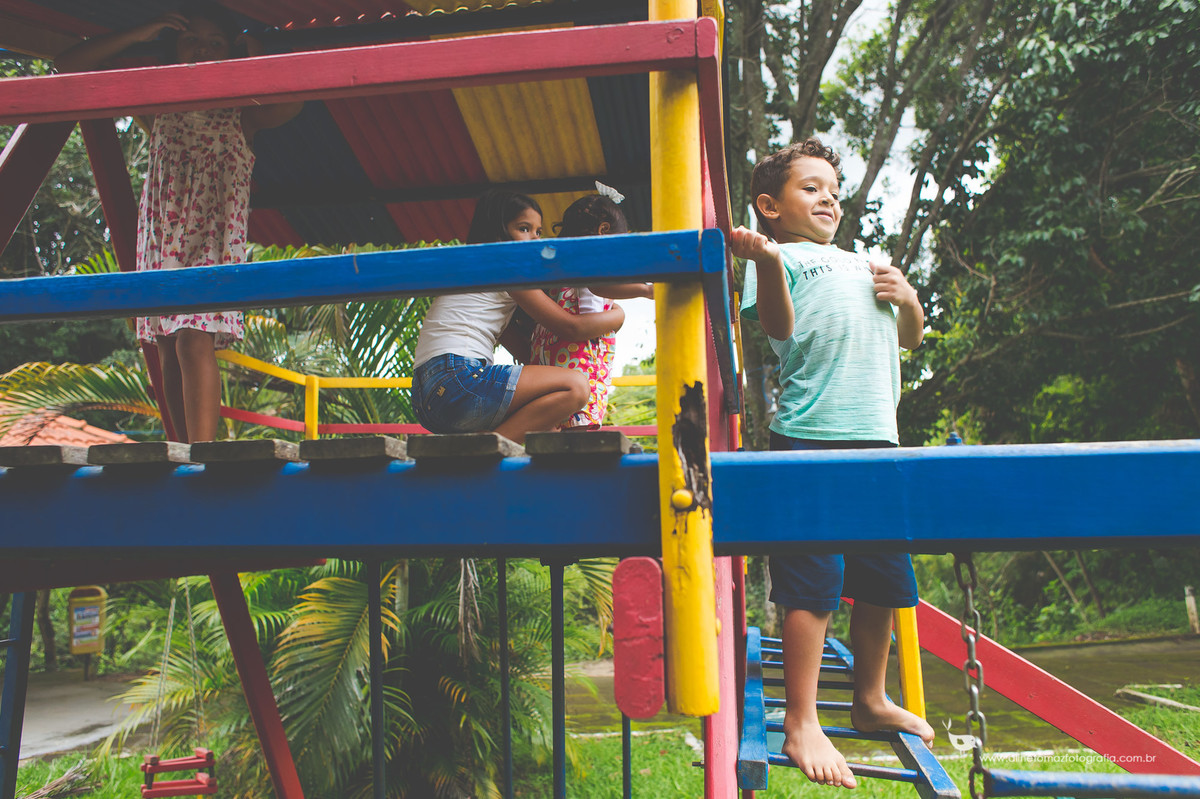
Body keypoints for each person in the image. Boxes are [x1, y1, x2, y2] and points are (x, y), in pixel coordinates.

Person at [730, 137, 934, 788]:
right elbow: (778, 327)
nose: (828, 199)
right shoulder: (777, 257)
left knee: (884, 576)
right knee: (813, 578)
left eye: (834, 191)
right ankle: (801, 719)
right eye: (811, 187)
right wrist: (766, 261)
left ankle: (870, 698)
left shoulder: (862, 263)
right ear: (771, 206)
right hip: (810, 436)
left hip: (878, 439)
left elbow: (909, 340)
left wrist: (909, 300)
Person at [56, 3, 303, 443]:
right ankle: (181, 448)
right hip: (163, 237)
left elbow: (294, 97)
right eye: (191, 40)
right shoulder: (157, 107)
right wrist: (140, 32)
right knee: (167, 346)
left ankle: (203, 454)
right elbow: (67, 65)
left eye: (215, 42)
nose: (202, 49)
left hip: (213, 236)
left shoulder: (242, 113)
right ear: (173, 48)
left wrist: (255, 50)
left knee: (192, 337)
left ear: (230, 51)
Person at [411, 190, 626, 444]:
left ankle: (488, 444)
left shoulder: (479, 275)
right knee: (576, 387)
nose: (534, 239)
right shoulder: (506, 265)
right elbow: (572, 328)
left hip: (428, 399)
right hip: (458, 379)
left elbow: (525, 353)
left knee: (546, 423)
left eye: (538, 232)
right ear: (498, 232)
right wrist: (618, 315)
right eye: (524, 229)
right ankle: (486, 448)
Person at [530, 194, 653, 429]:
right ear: (603, 230)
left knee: (559, 422)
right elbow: (597, 286)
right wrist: (645, 290)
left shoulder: (562, 266)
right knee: (581, 419)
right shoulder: (593, 263)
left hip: (553, 360)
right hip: (580, 358)